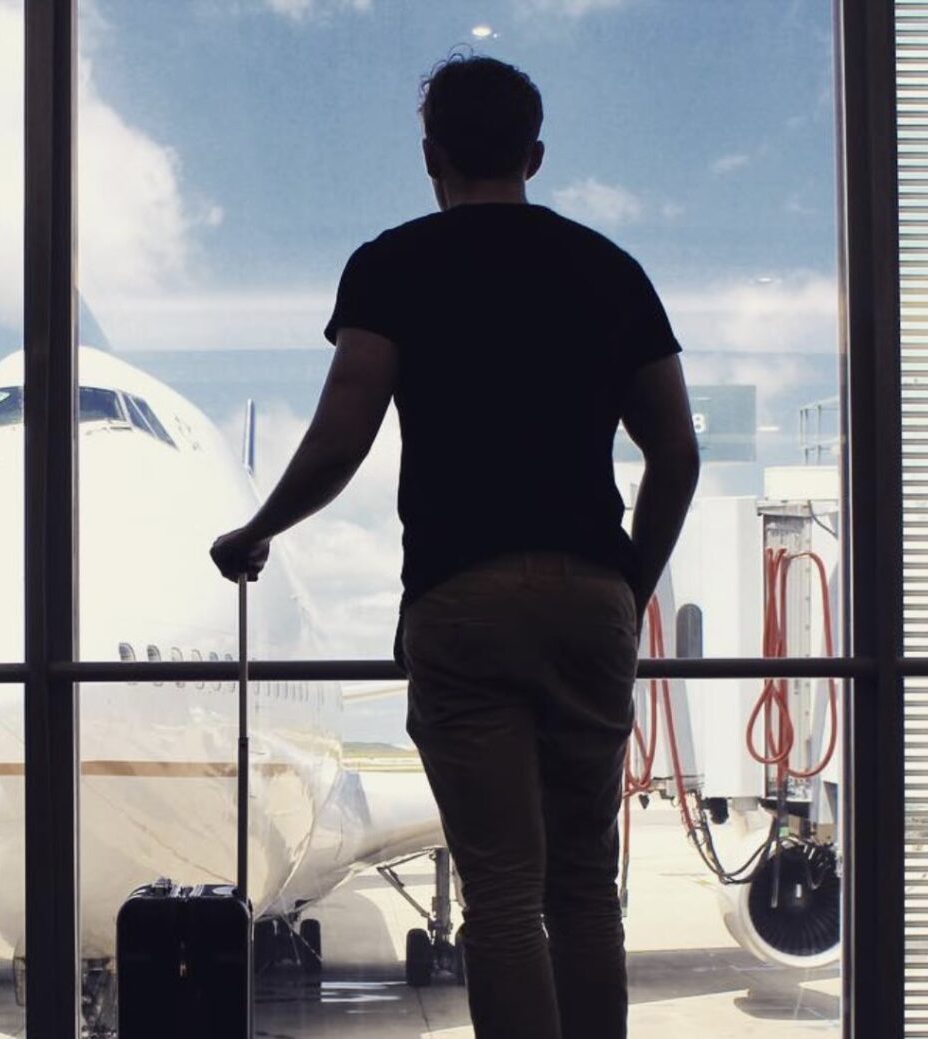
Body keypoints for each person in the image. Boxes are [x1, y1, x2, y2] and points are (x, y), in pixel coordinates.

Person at [210, 54, 699, 1039]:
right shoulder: (610, 270)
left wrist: (256, 531)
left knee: (503, 893)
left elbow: (340, 438)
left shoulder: (393, 266)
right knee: (584, 883)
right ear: (535, 155)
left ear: (431, 155)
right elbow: (676, 454)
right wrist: (627, 587)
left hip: (462, 598)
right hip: (590, 597)